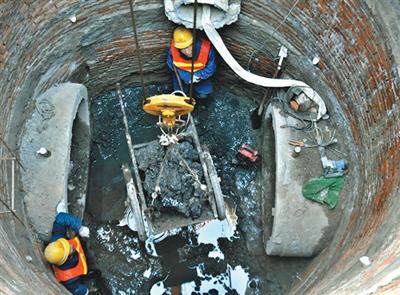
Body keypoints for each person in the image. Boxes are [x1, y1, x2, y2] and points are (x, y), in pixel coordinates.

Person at [44, 212, 99, 295]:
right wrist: (85, 291)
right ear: (66, 257)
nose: (70, 244)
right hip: (81, 272)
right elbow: (79, 290)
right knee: (96, 273)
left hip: (79, 259)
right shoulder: (68, 278)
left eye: (66, 244)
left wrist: (79, 228)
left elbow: (61, 218)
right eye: (69, 248)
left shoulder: (57, 243)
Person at [167, 26, 217, 100]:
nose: (187, 52)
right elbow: (171, 65)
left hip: (201, 77)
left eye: (188, 47)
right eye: (182, 49)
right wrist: (186, 77)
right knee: (181, 97)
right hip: (182, 78)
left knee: (203, 96)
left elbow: (211, 68)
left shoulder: (206, 50)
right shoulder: (173, 50)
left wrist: (197, 76)